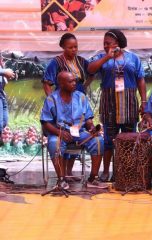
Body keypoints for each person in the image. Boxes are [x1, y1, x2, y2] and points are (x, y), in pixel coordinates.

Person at [88, 29, 147, 182]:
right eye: (104, 43)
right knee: (108, 139)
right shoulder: (101, 57)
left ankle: (125, 171)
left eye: (108, 43)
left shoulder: (133, 58)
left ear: (118, 43)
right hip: (109, 103)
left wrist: (144, 102)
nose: (105, 45)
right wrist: (107, 56)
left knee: (128, 139)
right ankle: (106, 171)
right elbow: (90, 69)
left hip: (129, 103)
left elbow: (141, 80)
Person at [40, 71, 107, 189]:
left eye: (74, 80)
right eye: (70, 81)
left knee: (98, 140)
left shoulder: (81, 97)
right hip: (59, 133)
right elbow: (45, 122)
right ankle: (61, 180)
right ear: (61, 83)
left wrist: (91, 127)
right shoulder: (51, 99)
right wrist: (60, 132)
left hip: (79, 133)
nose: (74, 83)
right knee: (54, 143)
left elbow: (87, 118)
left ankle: (93, 178)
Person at [42, 33, 93, 180]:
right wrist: (53, 101)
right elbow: (46, 82)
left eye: (76, 47)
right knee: (63, 135)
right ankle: (62, 175)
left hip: (78, 101)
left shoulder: (81, 61)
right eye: (70, 47)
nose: (74, 50)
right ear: (63, 47)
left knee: (75, 131)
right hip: (61, 102)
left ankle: (69, 172)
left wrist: (84, 87)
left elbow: (92, 72)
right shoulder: (56, 62)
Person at [0, 58, 15, 143]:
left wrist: (8, 75)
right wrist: (4, 72)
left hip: (2, 96)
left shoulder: (2, 66)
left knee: (4, 122)